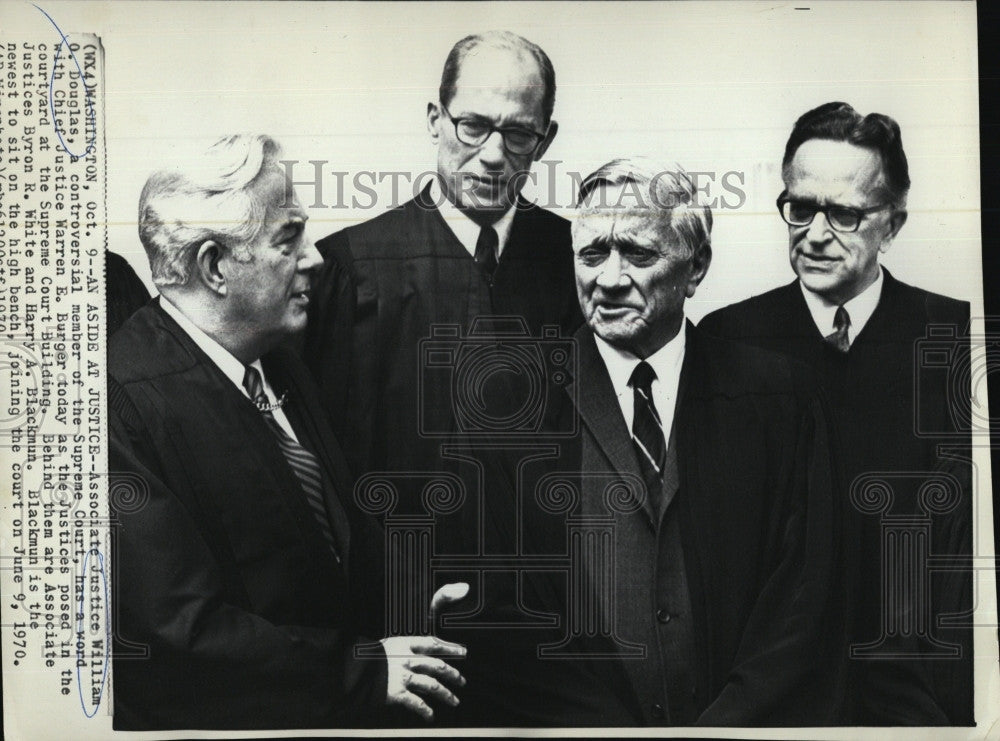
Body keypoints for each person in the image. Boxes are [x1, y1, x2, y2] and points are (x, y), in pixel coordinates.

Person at [108, 135, 468, 730]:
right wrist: (362, 671)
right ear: (215, 267)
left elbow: (316, 549)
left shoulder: (276, 358)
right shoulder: (120, 405)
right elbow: (180, 632)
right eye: (288, 238)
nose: (316, 258)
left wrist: (400, 611)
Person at [699, 102, 973, 725]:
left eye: (845, 213)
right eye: (800, 208)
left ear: (894, 222)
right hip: (764, 697)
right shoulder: (725, 341)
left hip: (915, 699)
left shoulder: (954, 339)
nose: (816, 233)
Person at [559, 158, 845, 725]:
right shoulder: (515, 404)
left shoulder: (778, 399)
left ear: (696, 268)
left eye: (639, 254)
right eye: (592, 254)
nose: (610, 278)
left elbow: (806, 599)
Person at [304, 30, 580, 479]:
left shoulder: (577, 260)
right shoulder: (349, 268)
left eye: (518, 134)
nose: (493, 155)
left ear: (544, 140)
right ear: (435, 119)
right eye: (472, 126)